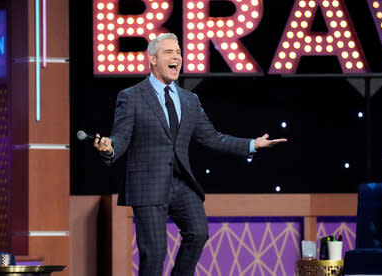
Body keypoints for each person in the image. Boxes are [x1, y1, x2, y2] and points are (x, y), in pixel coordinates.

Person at [94, 33, 287, 276]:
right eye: (168, 53)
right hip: (148, 183)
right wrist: (109, 148)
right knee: (154, 254)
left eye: (178, 53)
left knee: (198, 232)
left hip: (181, 182)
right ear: (152, 60)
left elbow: (212, 137)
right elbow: (120, 137)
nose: (177, 57)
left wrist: (252, 144)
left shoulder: (189, 100)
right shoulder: (131, 96)